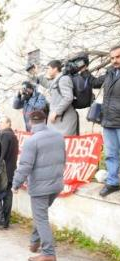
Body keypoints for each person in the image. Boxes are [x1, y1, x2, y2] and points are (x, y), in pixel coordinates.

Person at [12, 110, 65, 261]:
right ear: (45, 119)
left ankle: (48, 253)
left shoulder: (32, 141)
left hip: (40, 187)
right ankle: (35, 241)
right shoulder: (58, 136)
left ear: (30, 122)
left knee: (41, 217)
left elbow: (25, 166)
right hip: (56, 184)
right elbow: (64, 159)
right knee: (40, 214)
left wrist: (15, 184)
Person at [86, 45, 120, 197]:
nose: (115, 61)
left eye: (118, 57)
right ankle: (113, 182)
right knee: (111, 154)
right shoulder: (110, 73)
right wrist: (84, 69)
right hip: (108, 121)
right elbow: (93, 82)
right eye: (112, 58)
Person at [30, 60, 78, 136]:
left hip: (64, 121)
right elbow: (47, 84)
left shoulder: (64, 79)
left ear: (55, 69)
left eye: (48, 68)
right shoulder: (56, 80)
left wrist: (56, 112)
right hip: (58, 121)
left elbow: (68, 97)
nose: (47, 71)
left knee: (64, 144)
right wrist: (37, 73)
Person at [0, 116, 19, 228]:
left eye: (2, 122)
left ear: (8, 124)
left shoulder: (5, 135)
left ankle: (1, 220)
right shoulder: (13, 136)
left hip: (4, 171)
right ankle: (5, 221)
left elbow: (2, 154)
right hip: (10, 170)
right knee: (7, 195)